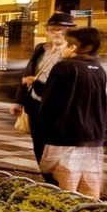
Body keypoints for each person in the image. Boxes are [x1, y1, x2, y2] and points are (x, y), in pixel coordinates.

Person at [34, 27, 106, 197]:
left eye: (65, 43)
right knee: (88, 185)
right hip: (93, 135)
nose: (62, 47)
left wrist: (40, 129)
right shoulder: (99, 69)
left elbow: (50, 101)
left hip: (66, 133)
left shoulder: (64, 67)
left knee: (66, 187)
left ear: (73, 47)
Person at [10, 12, 74, 182]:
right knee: (38, 142)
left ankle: (58, 180)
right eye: (52, 29)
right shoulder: (41, 49)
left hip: (57, 105)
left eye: (59, 29)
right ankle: (48, 179)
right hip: (35, 102)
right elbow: (29, 73)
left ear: (68, 31)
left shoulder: (71, 52)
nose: (55, 33)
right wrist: (19, 101)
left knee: (54, 144)